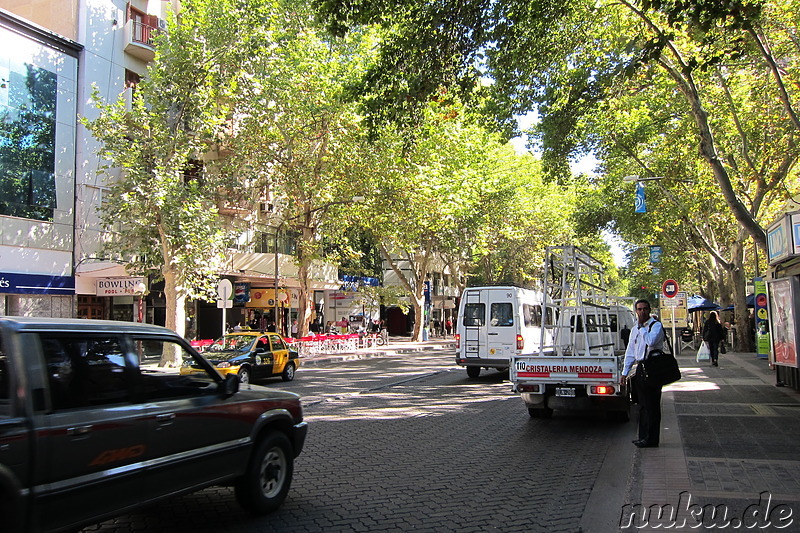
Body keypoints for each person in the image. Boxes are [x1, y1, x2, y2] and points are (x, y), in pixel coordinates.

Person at [621, 299, 666, 448]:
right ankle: (643, 436)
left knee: (652, 405)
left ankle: (652, 438)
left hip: (653, 367)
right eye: (639, 309)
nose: (642, 312)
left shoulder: (655, 326)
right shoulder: (635, 329)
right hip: (641, 368)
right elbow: (630, 352)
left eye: (645, 309)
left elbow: (651, 342)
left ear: (649, 310)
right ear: (636, 311)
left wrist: (642, 328)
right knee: (642, 404)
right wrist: (625, 372)